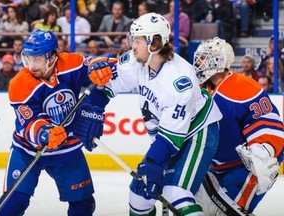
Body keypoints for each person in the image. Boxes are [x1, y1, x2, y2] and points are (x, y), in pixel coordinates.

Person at [85, 12, 223, 215]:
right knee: (139, 194)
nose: (133, 45)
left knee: (174, 193)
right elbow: (108, 87)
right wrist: (92, 112)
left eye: (138, 40)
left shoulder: (179, 81)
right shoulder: (137, 60)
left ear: (155, 45)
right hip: (167, 137)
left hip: (197, 132)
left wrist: (152, 163)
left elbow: (170, 138)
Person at [0, 29, 110, 216]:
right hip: (27, 150)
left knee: (83, 205)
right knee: (12, 204)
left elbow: (101, 63)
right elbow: (28, 121)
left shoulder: (70, 63)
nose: (32, 65)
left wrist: (101, 69)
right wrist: (44, 133)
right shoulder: (19, 83)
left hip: (66, 149)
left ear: (52, 57)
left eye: (38, 59)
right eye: (29, 58)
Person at [192, 37, 284, 215]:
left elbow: (266, 122)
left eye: (203, 58)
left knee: (228, 211)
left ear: (217, 61)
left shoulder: (241, 86)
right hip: (218, 166)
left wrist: (263, 151)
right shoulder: (203, 88)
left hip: (247, 167)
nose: (199, 63)